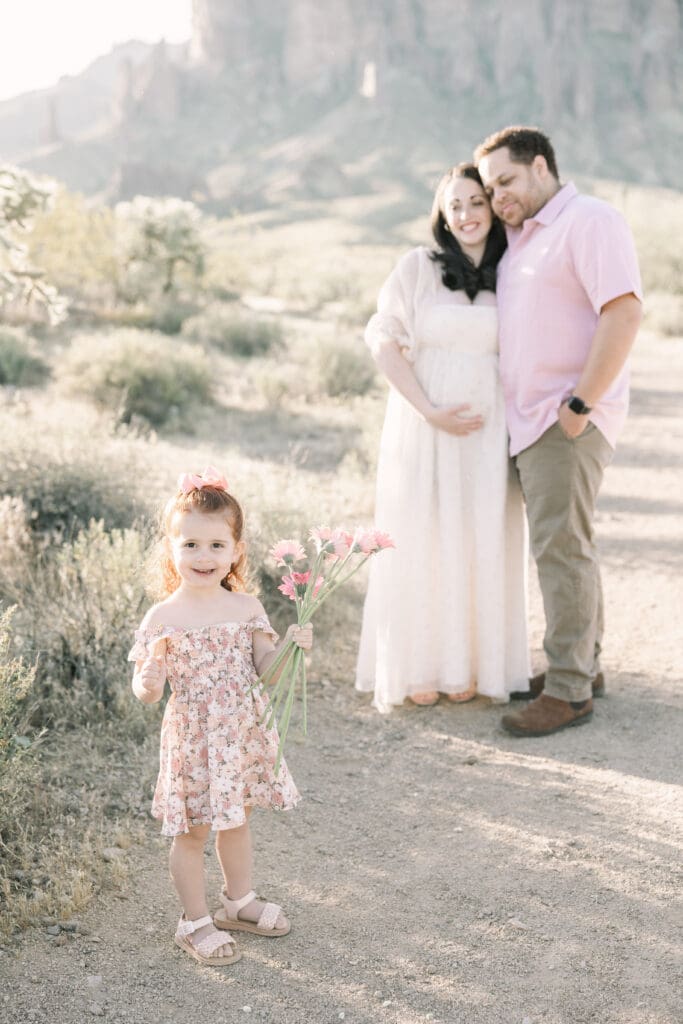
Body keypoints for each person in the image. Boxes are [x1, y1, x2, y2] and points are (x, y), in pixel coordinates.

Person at [475, 126, 642, 737]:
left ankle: (569, 691)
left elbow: (623, 310)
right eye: (490, 189)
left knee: (560, 549)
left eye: (506, 181)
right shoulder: (523, 238)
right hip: (530, 419)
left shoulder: (590, 221)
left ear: (541, 166)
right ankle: (583, 666)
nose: (497, 198)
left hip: (563, 417)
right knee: (570, 542)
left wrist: (580, 404)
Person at [355, 163, 530, 712]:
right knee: (426, 535)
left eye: (476, 202)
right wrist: (429, 410)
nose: (466, 214)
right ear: (442, 214)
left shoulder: (516, 270)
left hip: (490, 432)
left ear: (493, 206)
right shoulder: (418, 267)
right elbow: (383, 339)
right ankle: (423, 664)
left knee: (482, 535)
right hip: (426, 426)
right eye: (454, 205)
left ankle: (472, 667)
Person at [129, 467, 313, 966]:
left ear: (235, 551)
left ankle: (238, 900)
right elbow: (148, 689)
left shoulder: (247, 606)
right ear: (172, 550)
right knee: (191, 830)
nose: (203, 556)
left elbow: (267, 671)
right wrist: (146, 682)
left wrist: (294, 649)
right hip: (192, 737)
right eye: (190, 545)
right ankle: (193, 920)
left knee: (238, 818)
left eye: (215, 545)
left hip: (241, 731)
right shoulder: (163, 617)